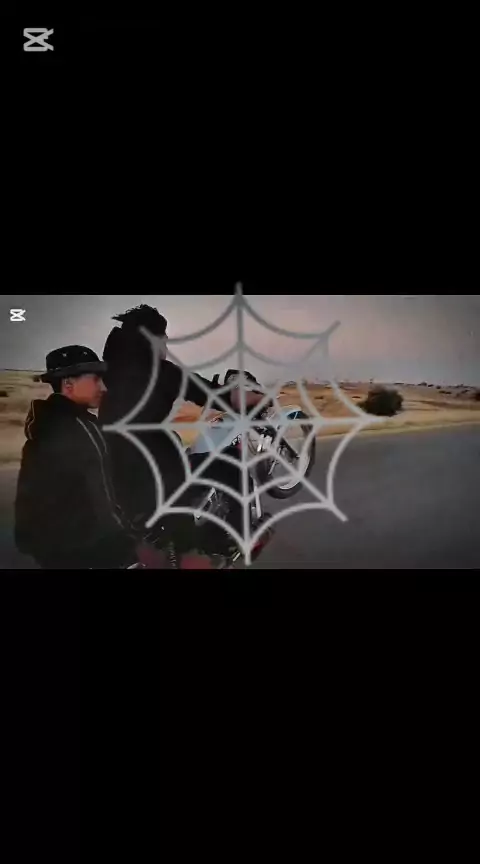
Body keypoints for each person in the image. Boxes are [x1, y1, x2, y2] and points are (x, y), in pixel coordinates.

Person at [14, 345, 209, 569]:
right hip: (84, 544)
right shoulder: (82, 430)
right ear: (68, 384)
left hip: (48, 545)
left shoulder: (45, 424)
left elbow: (30, 491)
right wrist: (126, 542)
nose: (103, 387)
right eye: (96, 379)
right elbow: (101, 496)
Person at [98, 305, 266, 558]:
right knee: (232, 465)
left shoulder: (106, 374)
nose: (166, 347)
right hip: (155, 481)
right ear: (153, 340)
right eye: (164, 340)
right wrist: (260, 399)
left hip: (115, 480)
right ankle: (236, 539)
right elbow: (216, 396)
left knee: (174, 445)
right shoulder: (163, 373)